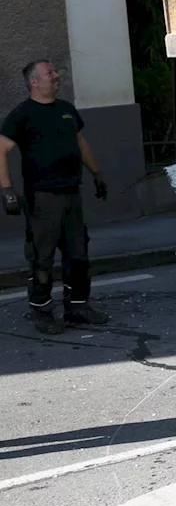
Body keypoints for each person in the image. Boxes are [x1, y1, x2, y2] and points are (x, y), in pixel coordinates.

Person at [0, 60, 109, 335]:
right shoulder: (22, 114)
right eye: (49, 73)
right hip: (43, 198)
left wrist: (96, 173)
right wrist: (7, 191)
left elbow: (80, 142)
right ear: (34, 82)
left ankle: (77, 307)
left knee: (78, 253)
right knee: (42, 257)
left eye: (55, 72)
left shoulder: (66, 110)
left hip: (71, 193)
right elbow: (1, 150)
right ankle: (42, 310)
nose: (56, 76)